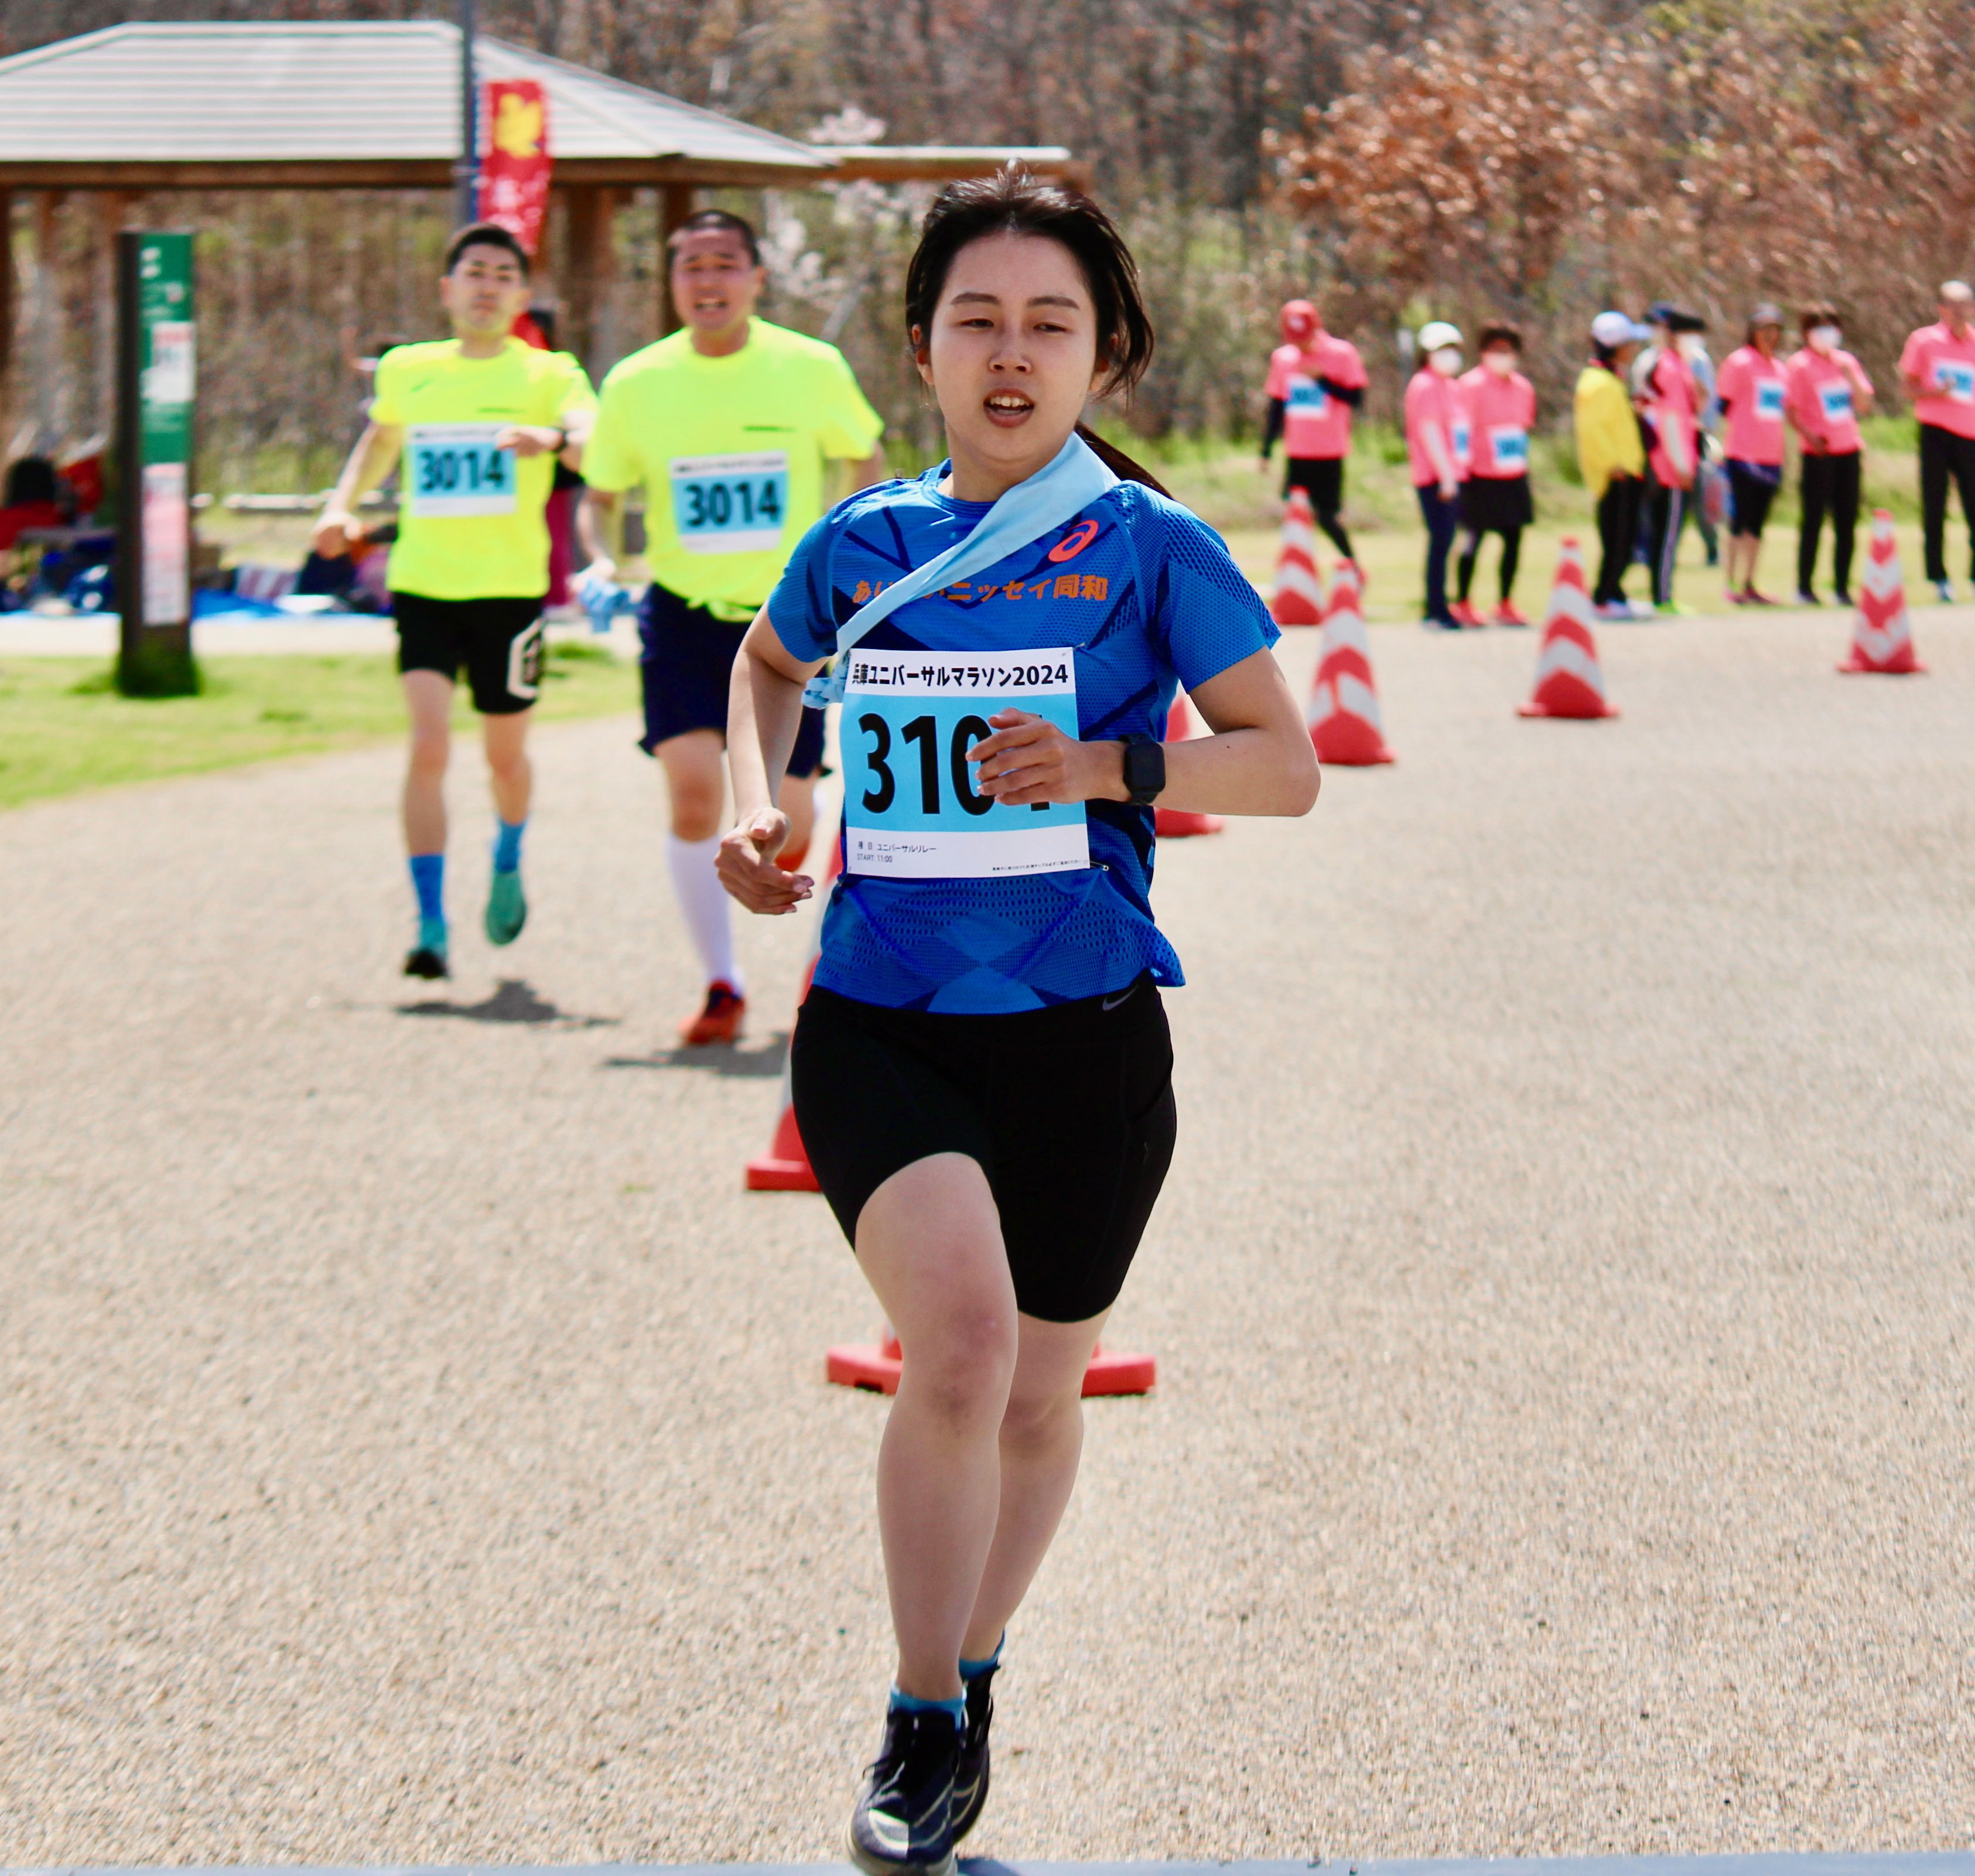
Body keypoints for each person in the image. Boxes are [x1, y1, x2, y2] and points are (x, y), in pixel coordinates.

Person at [717, 168, 1319, 1872]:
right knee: (962, 1349)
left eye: (1047, 322)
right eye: (973, 318)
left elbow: (1284, 762)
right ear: (919, 348)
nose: (1009, 350)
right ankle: (918, 1719)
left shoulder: (1151, 550)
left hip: (1091, 1035)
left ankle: (971, 1668)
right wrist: (757, 805)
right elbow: (766, 669)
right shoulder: (862, 543)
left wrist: (1117, 763)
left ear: (1102, 355)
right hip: (882, 1021)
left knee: (1042, 1396)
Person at [579, 209, 886, 1045]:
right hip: (681, 613)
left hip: (790, 625)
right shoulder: (637, 382)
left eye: (725, 264)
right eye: (691, 266)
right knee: (690, 790)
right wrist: (602, 563)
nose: (707, 280)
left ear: (756, 278)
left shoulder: (809, 367)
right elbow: (599, 498)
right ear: (673, 284)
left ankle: (809, 978)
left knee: (788, 815)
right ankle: (721, 982)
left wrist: (852, 552)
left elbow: (864, 455)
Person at [312, 223, 595, 980]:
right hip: (425, 585)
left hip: (508, 593)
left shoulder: (549, 371)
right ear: (447, 289)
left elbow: (594, 442)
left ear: (522, 295)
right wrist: (341, 505)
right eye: (474, 271)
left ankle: (508, 849)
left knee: (505, 757)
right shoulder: (409, 368)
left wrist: (549, 438)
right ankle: (429, 922)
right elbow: (380, 442)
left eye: (503, 274)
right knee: (429, 743)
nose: (486, 285)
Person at [1258, 298, 1368, 561]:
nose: (1300, 343)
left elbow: (1357, 399)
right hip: (1297, 452)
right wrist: (1266, 449)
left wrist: (1323, 381)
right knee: (1296, 516)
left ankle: (1351, 565)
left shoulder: (1342, 354)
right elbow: (1277, 407)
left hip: (1329, 451)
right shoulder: (1283, 359)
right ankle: (1298, 577)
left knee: (1327, 517)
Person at [1785, 304, 1874, 607]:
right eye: (1818, 327)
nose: (1826, 334)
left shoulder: (1846, 362)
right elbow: (1791, 409)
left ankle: (1841, 586)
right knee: (1812, 521)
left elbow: (1864, 404)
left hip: (1848, 449)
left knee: (1847, 522)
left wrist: (1849, 375)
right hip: (1818, 452)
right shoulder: (1799, 365)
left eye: (1830, 327)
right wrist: (1810, 437)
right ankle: (1804, 586)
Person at [1897, 279, 1975, 602]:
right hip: (1936, 431)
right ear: (1942, 308)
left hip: (1970, 433)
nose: (1960, 313)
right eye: (1953, 306)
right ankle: (1938, 576)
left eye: (1966, 306)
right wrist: (1934, 392)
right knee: (1935, 504)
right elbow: (1907, 387)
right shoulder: (1924, 341)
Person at [1454, 322, 1536, 626]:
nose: (1501, 356)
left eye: (1507, 350)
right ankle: (1462, 601)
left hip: (1513, 473)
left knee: (1514, 540)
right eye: (1495, 349)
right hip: (1479, 473)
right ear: (1483, 352)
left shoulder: (1523, 388)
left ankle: (1505, 601)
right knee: (1474, 538)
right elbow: (1461, 430)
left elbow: (1524, 426)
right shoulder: (1471, 385)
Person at [1633, 302, 1706, 614]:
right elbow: (1672, 421)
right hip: (1671, 464)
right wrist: (1681, 465)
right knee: (1668, 532)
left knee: (1667, 529)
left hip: (1671, 459)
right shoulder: (1672, 368)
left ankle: (1662, 592)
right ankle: (1662, 595)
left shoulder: (1677, 365)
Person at [1714, 303, 1789, 604]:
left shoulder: (1780, 369)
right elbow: (1724, 405)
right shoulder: (1740, 362)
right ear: (1752, 332)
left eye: (1776, 330)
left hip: (1771, 455)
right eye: (1764, 330)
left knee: (1758, 523)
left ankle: (1750, 582)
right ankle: (1730, 582)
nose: (1770, 336)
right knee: (1738, 520)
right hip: (1743, 454)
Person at [1577, 312, 1649, 620]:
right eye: (1627, 343)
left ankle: (1616, 591)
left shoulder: (1611, 380)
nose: (1632, 349)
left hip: (1629, 469)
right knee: (1616, 538)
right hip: (1615, 474)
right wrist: (1612, 465)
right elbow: (1592, 430)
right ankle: (1603, 596)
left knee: (1627, 536)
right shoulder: (1598, 383)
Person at [1405, 320, 1467, 630]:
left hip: (1451, 475)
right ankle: (1436, 608)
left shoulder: (1450, 386)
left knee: (1446, 542)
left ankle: (1441, 605)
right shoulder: (1425, 385)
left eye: (1452, 349)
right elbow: (1429, 434)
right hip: (1436, 479)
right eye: (1442, 349)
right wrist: (1446, 477)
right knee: (1441, 542)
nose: (1449, 355)